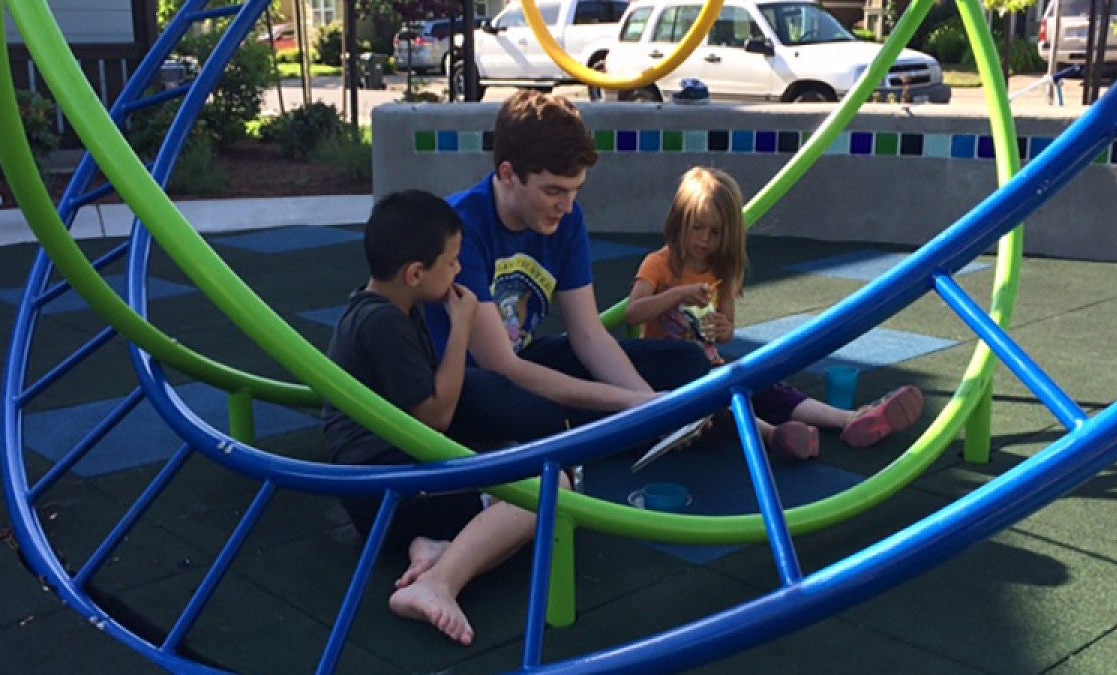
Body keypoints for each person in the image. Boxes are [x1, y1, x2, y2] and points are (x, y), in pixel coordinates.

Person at [322, 189, 569, 646]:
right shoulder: (385, 324)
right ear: (416, 273)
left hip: (385, 488)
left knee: (517, 461)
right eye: (452, 262)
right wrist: (461, 327)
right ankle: (439, 584)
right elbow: (435, 415)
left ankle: (432, 544)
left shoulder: (380, 308)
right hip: (386, 493)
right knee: (551, 487)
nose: (458, 271)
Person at [423, 89, 712, 444]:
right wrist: (636, 403)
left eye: (575, 190)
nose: (566, 205)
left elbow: (588, 334)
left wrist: (650, 405)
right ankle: (598, 431)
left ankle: (611, 430)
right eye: (553, 191)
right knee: (514, 404)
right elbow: (500, 364)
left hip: (524, 360)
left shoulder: (568, 219)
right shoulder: (459, 228)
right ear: (509, 174)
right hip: (470, 379)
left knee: (686, 363)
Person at [625, 166, 925, 458]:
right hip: (675, 376)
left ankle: (849, 419)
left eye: (714, 233)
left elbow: (727, 331)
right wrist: (674, 295)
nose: (704, 239)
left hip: (714, 366)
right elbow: (633, 313)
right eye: (697, 227)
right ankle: (773, 435)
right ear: (680, 221)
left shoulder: (720, 271)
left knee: (765, 385)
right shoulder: (659, 264)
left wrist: (721, 328)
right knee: (719, 401)